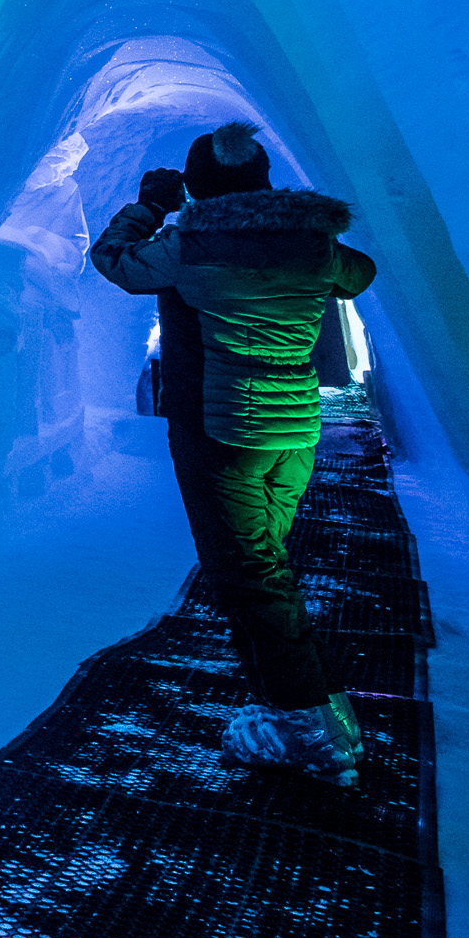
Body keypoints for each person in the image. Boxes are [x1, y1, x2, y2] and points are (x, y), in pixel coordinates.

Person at [91, 121, 378, 785]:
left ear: (197, 184)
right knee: (263, 569)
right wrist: (304, 241)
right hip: (293, 432)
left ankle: (307, 727)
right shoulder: (312, 243)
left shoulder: (188, 246)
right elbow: (358, 273)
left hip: (223, 435)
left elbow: (113, 260)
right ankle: (308, 702)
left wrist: (150, 205)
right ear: (263, 179)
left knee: (247, 579)